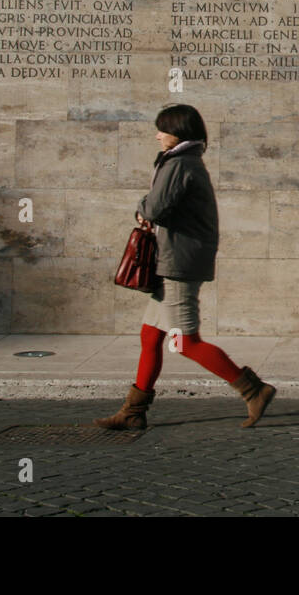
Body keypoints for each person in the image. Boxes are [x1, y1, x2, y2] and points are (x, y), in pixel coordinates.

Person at [95, 103, 276, 430]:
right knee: (150, 336)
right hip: (173, 259)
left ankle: (253, 390)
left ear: (178, 132)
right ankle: (133, 412)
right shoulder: (183, 160)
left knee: (185, 342)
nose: (157, 135)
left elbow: (155, 207)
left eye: (162, 129)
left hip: (178, 263)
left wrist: (140, 207)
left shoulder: (179, 163)